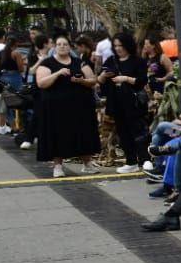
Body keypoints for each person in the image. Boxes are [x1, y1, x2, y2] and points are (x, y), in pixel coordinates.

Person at [33, 34, 100, 177]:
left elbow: (93, 80)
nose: (62, 47)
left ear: (70, 47)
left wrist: (81, 81)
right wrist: (58, 73)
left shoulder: (79, 62)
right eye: (59, 44)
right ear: (54, 46)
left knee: (82, 133)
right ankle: (58, 166)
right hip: (55, 108)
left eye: (65, 44)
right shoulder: (47, 63)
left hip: (79, 106)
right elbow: (41, 83)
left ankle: (87, 163)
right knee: (57, 135)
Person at [100, 31, 149, 172]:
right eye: (115, 46)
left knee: (138, 131)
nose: (118, 48)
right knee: (123, 133)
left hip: (133, 102)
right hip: (116, 102)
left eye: (120, 45)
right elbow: (100, 81)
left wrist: (126, 79)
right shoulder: (111, 61)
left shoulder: (137, 61)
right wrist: (104, 75)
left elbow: (142, 81)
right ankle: (131, 161)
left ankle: (145, 159)